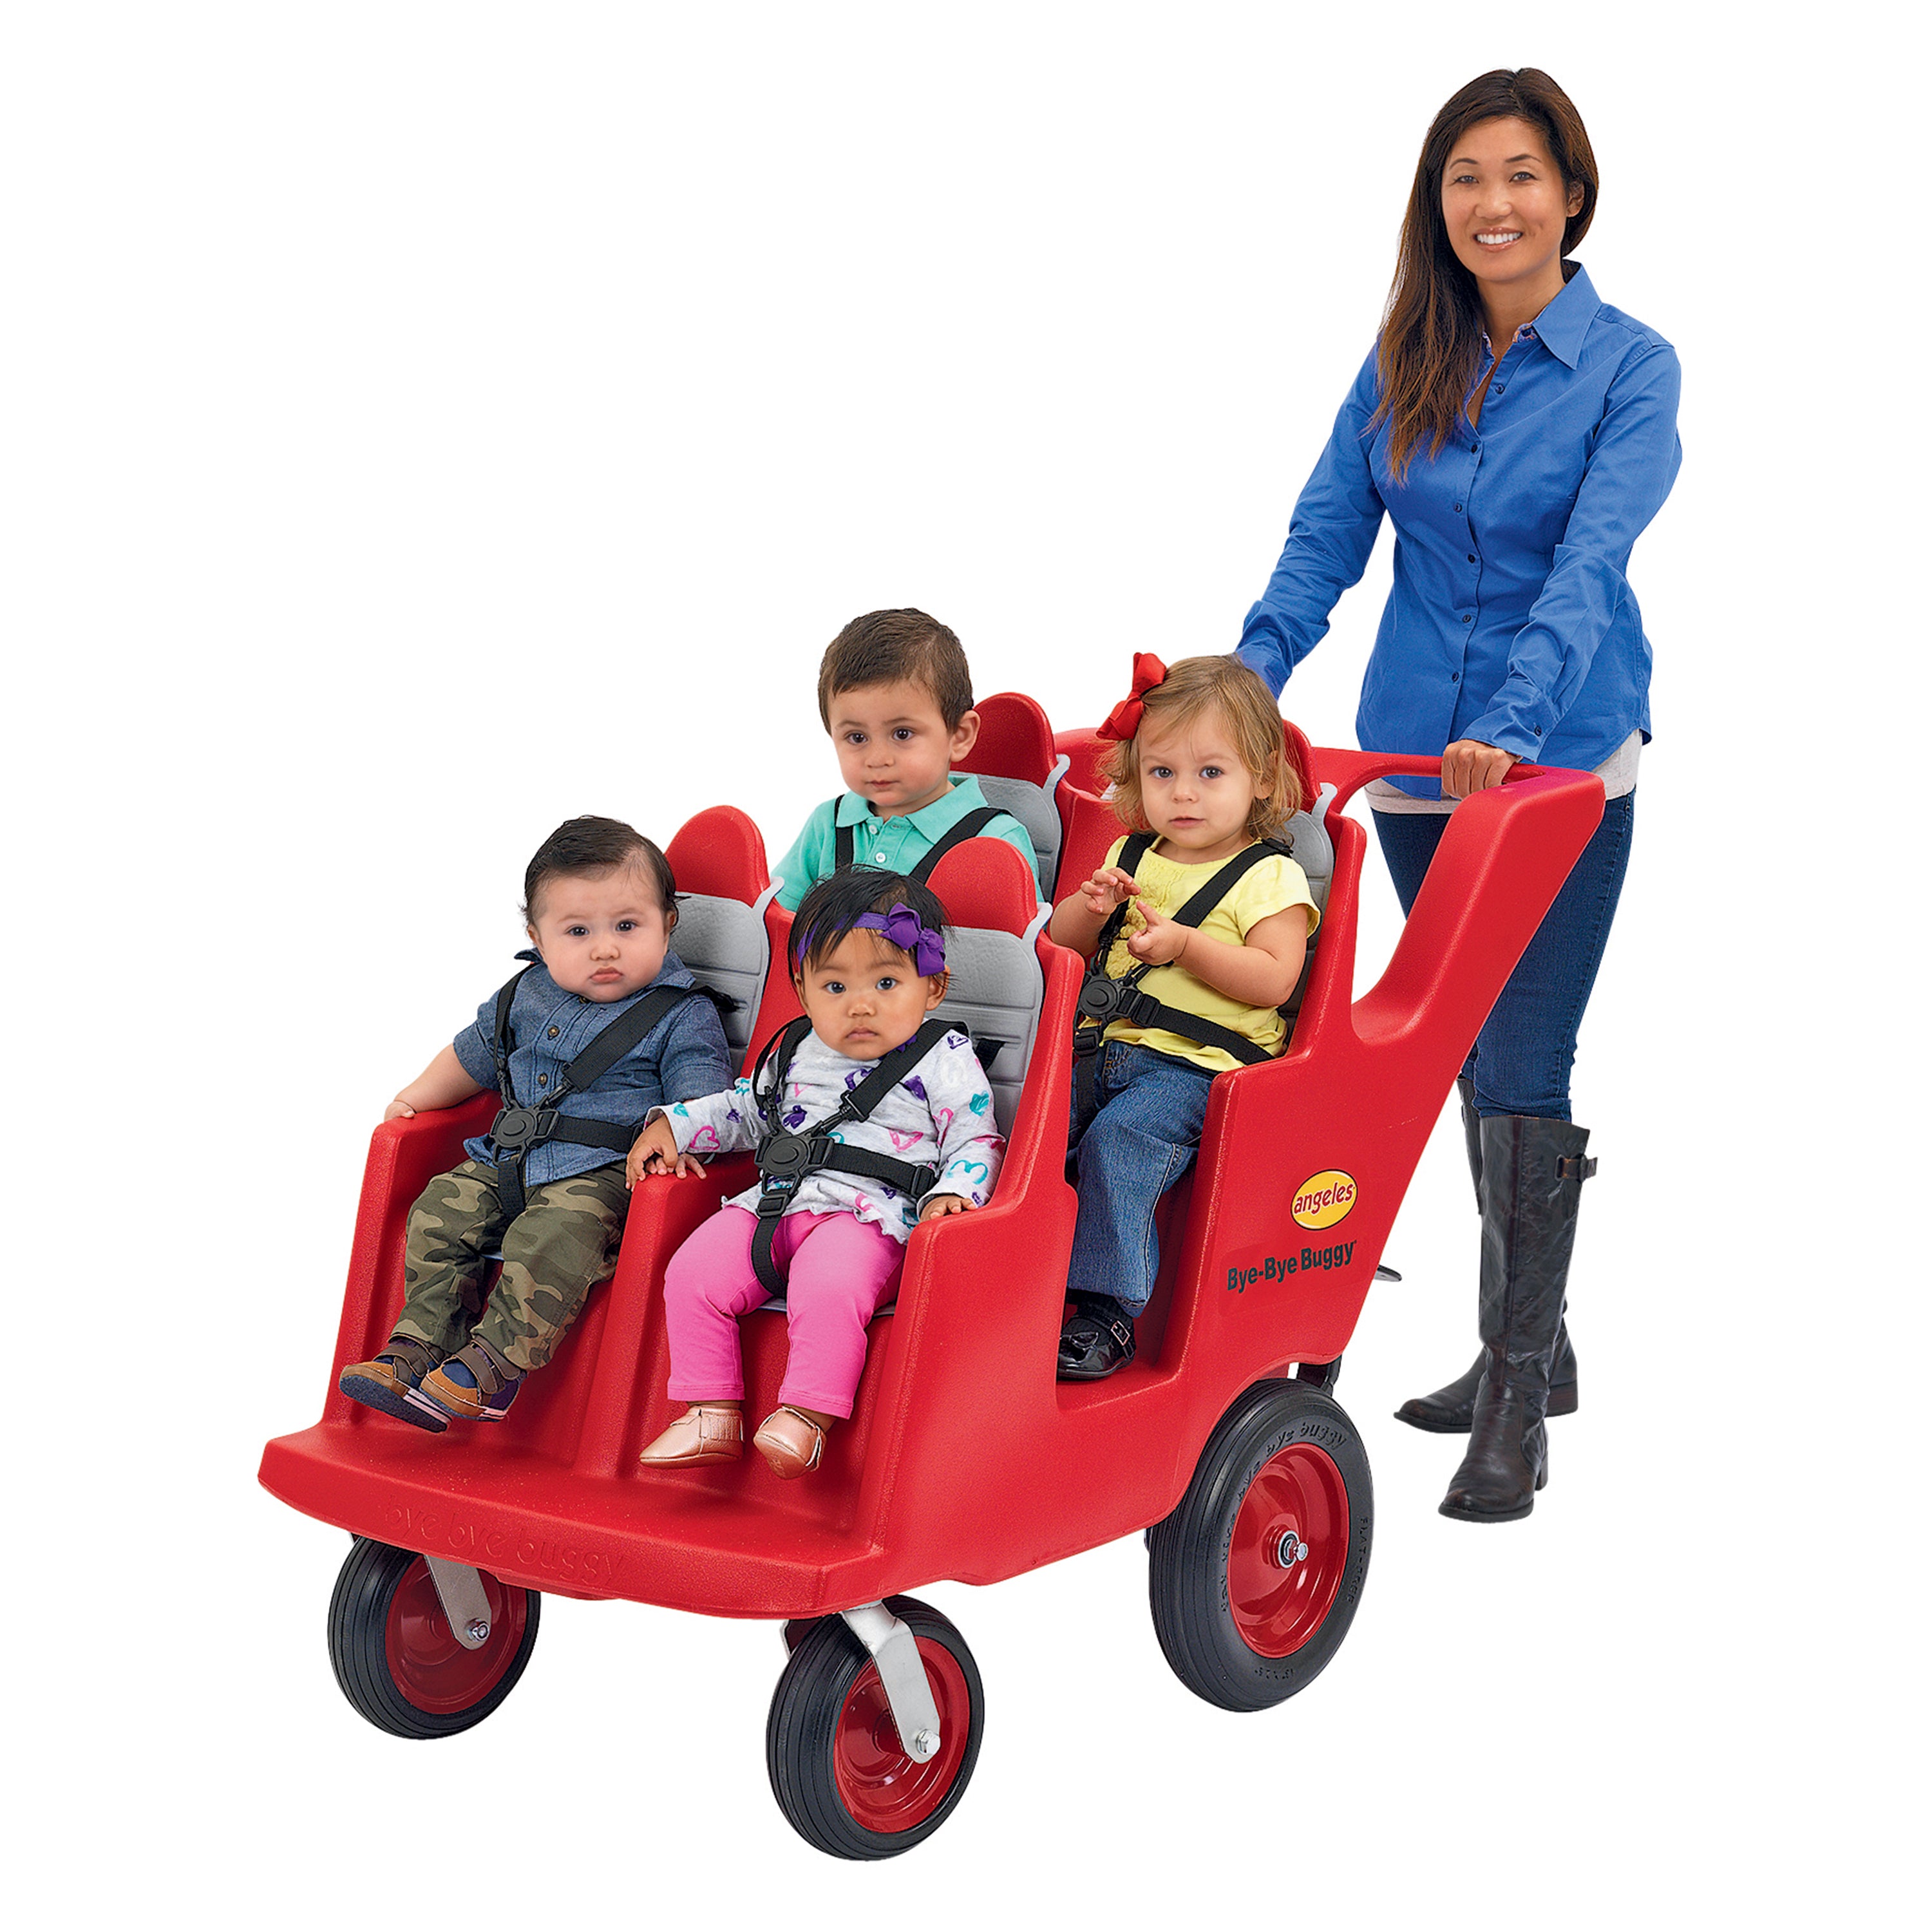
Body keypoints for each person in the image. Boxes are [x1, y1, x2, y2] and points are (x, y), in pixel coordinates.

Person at [1235, 69, 1681, 1522]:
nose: (1493, 205)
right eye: (1464, 180)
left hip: (1556, 768)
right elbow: (1326, 534)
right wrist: (1246, 686)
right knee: (1455, 1049)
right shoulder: (1402, 358)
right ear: (1439, 205)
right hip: (1416, 768)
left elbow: (1588, 565)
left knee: (1524, 1058)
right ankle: (1534, 1345)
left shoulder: (1631, 368)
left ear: (1572, 193)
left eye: (1521, 175)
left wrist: (1514, 723)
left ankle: (1513, 1390)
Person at [338, 817, 735, 1431]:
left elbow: (704, 1097)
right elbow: (471, 1055)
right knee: (439, 1211)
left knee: (551, 1237)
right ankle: (419, 1346)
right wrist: (415, 1097)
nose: (605, 948)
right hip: (505, 1159)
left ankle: (496, 1366)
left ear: (668, 923)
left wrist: (674, 1129)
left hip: (600, 1174)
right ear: (538, 937)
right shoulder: (526, 992)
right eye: (577, 931)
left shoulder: (683, 1014)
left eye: (628, 927)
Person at [630, 869, 1004, 1477]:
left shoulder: (943, 1055)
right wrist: (674, 1125)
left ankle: (807, 1417)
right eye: (834, 986)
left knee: (827, 1287)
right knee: (691, 1272)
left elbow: (975, 1133)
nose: (860, 1004)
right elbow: (744, 1110)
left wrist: (955, 1192)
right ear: (803, 991)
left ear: (932, 987)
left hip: (871, 1219)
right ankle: (711, 1409)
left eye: (887, 982)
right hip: (775, 1204)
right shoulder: (794, 1048)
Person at [1049, 654, 1319, 1381]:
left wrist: (1186, 946)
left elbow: (1274, 979)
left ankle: (1107, 1309)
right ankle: (1018, 1288)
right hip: (1097, 1050)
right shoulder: (1131, 851)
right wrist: (1089, 906)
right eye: (1162, 774)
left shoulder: (1270, 876)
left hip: (1199, 1072)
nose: (1183, 795)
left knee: (1121, 1140)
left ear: (1261, 779)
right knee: (1031, 1130)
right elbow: (1065, 947)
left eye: (1211, 774)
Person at [770, 607, 1037, 909]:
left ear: (959, 735)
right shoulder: (827, 824)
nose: (877, 758)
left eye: (902, 734)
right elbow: (777, 924)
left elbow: (1015, 952)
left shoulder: (995, 839)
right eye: (857, 738)